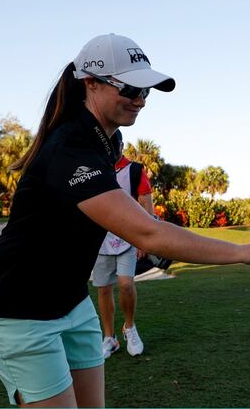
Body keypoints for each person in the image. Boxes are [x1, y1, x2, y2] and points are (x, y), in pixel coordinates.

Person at [0, 33, 250, 408]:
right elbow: (147, 231)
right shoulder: (69, 147)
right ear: (90, 83)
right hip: (17, 311)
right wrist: (242, 251)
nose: (140, 100)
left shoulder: (108, 140)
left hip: (71, 303)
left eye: (146, 91)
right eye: (129, 89)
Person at [91, 139, 154, 359]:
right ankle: (109, 338)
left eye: (112, 146)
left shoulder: (134, 170)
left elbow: (146, 205)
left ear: (121, 145)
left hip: (129, 238)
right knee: (103, 289)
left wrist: (144, 239)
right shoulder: (94, 169)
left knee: (126, 284)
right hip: (99, 240)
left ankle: (130, 328)